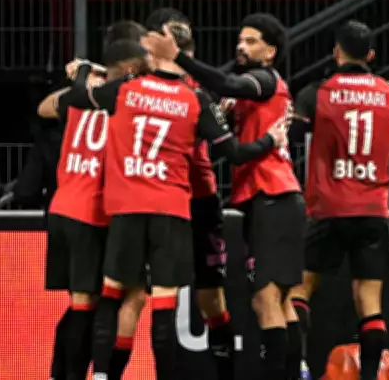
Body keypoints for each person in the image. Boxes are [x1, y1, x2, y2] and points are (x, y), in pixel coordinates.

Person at [62, 36, 288, 380]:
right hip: (172, 209)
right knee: (162, 304)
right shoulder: (195, 99)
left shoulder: (127, 89)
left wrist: (81, 71)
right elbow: (233, 152)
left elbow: (79, 97)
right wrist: (271, 139)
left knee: (114, 294)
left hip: (135, 207)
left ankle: (101, 375)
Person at [143, 13, 307, 380]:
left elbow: (226, 86)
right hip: (264, 197)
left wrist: (178, 57)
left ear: (270, 51)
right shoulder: (244, 95)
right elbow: (227, 138)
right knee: (279, 302)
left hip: (272, 194)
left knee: (266, 300)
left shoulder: (264, 80)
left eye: (251, 41)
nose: (240, 46)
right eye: (240, 39)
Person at [287, 21, 389, 380]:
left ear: (336, 53)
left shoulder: (317, 92)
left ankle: (296, 370)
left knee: (299, 293)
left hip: (325, 209)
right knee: (369, 305)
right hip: (373, 211)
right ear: (371, 55)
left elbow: (290, 140)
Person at [38, 20, 149, 380]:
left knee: (83, 304)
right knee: (89, 305)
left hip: (62, 205)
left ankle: (60, 373)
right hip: (93, 210)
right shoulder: (128, 99)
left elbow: (44, 108)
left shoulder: (81, 92)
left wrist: (88, 74)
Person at [145, 7, 236, 380]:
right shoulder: (137, 84)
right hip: (158, 200)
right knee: (156, 297)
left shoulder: (201, 91)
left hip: (198, 200)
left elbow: (224, 140)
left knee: (210, 298)